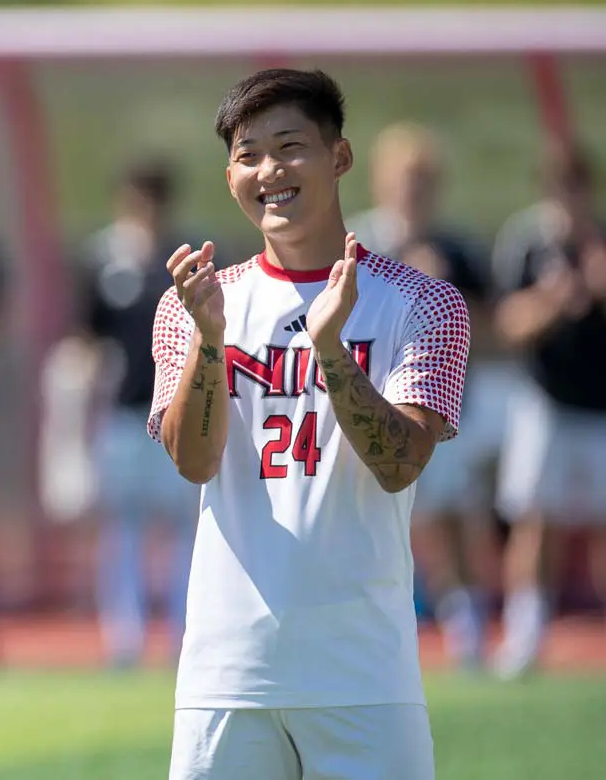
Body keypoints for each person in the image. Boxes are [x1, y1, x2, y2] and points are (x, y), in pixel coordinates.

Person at [152, 69, 469, 780]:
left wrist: (330, 349)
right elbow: (193, 461)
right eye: (248, 153)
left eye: (289, 145)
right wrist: (210, 341)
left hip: (363, 673)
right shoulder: (193, 302)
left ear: (340, 157)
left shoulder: (423, 303)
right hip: (226, 672)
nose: (269, 170)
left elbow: (400, 462)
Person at [347, 121, 506, 670]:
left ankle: (467, 624)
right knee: (364, 514)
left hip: (436, 406)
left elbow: (492, 330)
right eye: (403, 178)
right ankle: (363, 627)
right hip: (365, 402)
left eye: (422, 180)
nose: (412, 190)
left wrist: (446, 294)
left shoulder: (457, 250)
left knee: (454, 514)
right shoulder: (356, 244)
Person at [73, 160, 199, 669]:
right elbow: (86, 338)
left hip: (178, 411)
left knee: (183, 525)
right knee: (122, 525)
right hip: (125, 413)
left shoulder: (189, 260)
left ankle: (182, 633)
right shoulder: (104, 261)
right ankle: (125, 638)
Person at [489, 147, 606, 679]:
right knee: (536, 519)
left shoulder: (601, 242)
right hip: (546, 401)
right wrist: (555, 301)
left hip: (601, 404)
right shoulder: (528, 242)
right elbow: (507, 324)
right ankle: (525, 636)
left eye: (577, 185)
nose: (569, 197)